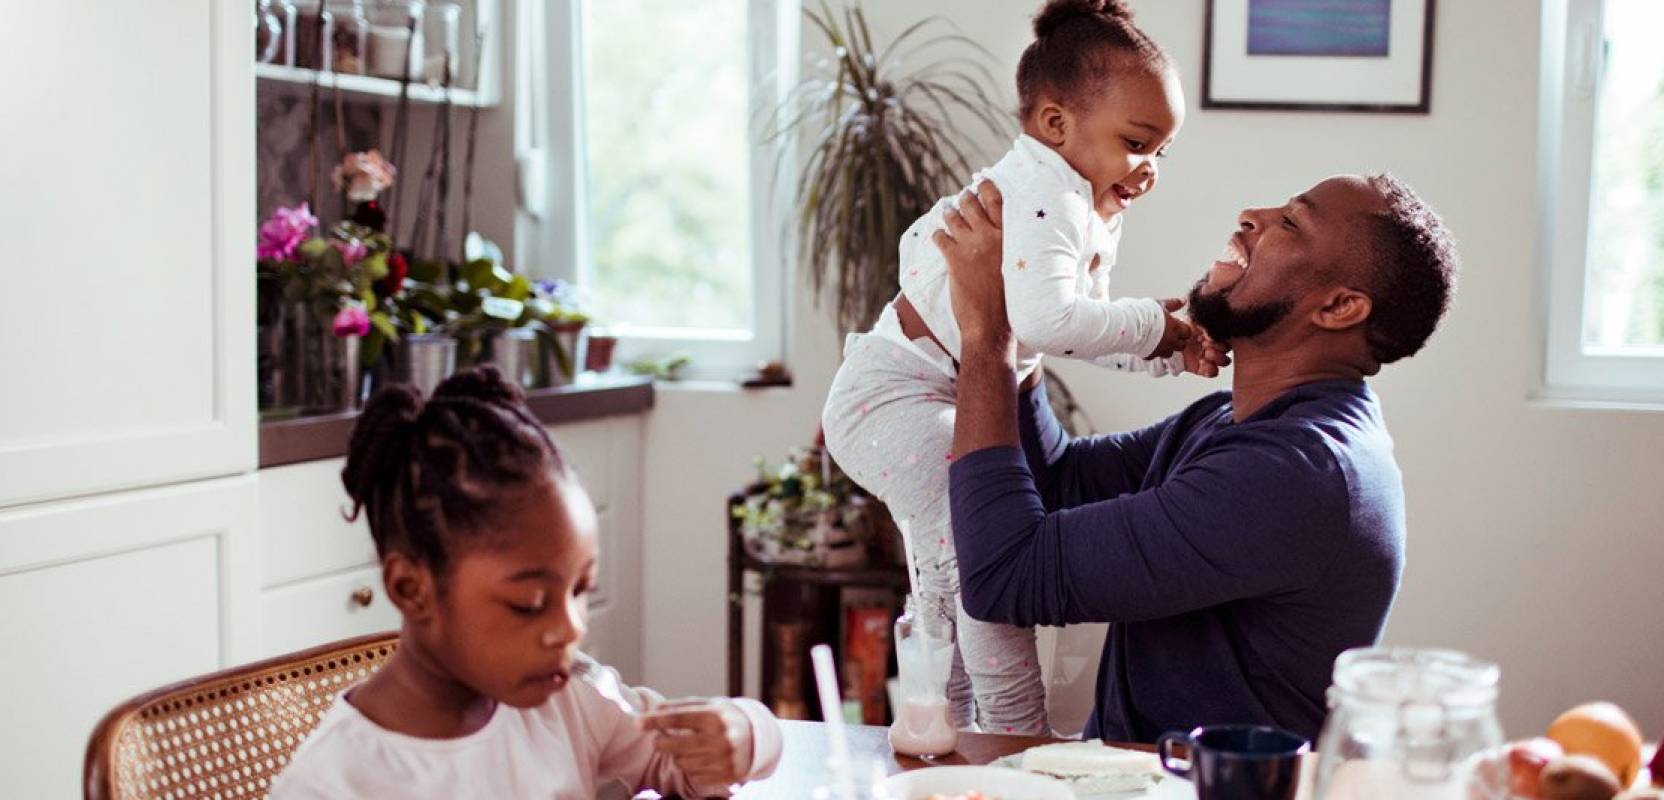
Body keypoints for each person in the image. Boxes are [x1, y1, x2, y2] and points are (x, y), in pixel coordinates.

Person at [931, 173, 1458, 742]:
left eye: (1290, 223)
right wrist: (1029, 331)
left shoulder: (1294, 474)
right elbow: (1056, 483)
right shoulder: (1236, 423)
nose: (1251, 212)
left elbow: (1003, 576)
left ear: (1337, 306)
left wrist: (987, 336)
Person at [822, 0, 1226, 736]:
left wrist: (1169, 351)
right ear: (1054, 125)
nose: (1150, 170)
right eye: (1137, 143)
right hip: (891, 398)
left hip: (937, 395)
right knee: (975, 554)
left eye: (1162, 152)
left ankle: (952, 730)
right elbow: (1046, 324)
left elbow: (1073, 334)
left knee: (957, 567)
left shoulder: (1084, 202)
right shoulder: (1048, 198)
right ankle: (1009, 728)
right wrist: (1159, 328)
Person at [271, 367, 783, 798]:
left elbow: (688, 759)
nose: (570, 627)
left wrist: (743, 734)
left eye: (581, 590)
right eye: (528, 603)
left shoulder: (571, 702)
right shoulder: (334, 783)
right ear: (411, 589)